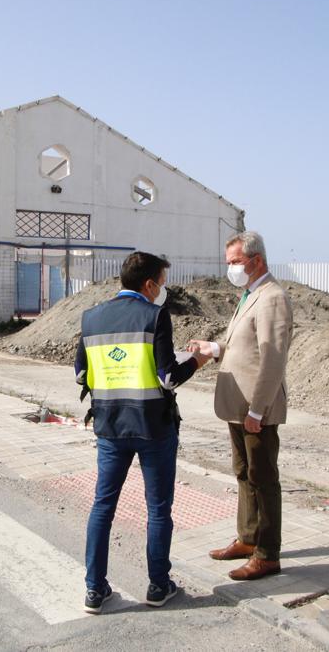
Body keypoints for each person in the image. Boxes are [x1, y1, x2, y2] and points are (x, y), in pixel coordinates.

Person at [76, 251, 208, 613]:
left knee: (103, 506)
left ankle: (94, 590)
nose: (163, 290)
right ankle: (158, 585)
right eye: (162, 283)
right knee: (158, 509)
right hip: (153, 428)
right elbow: (167, 377)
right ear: (149, 284)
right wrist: (200, 359)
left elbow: (81, 375)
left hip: (110, 428)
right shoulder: (155, 316)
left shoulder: (91, 318)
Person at [188, 231, 293, 581]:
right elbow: (243, 346)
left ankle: (267, 554)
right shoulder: (250, 294)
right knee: (244, 473)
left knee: (263, 478)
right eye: (229, 263)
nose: (231, 269)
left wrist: (258, 410)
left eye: (236, 263)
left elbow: (273, 359)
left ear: (257, 261)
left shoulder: (272, 297)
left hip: (255, 407)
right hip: (238, 406)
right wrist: (215, 349)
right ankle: (248, 538)